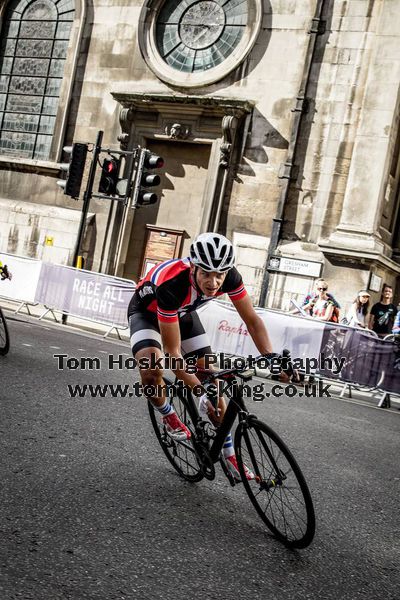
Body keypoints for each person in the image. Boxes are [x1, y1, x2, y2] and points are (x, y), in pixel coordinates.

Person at [127, 233, 274, 480]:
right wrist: (198, 390)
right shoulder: (173, 284)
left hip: (182, 314)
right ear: (192, 267)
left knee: (213, 381)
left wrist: (270, 356)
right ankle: (169, 415)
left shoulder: (230, 277)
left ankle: (230, 457)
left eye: (220, 274)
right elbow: (173, 354)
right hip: (147, 313)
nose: (214, 282)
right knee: (153, 371)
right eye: (206, 273)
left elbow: (252, 320)